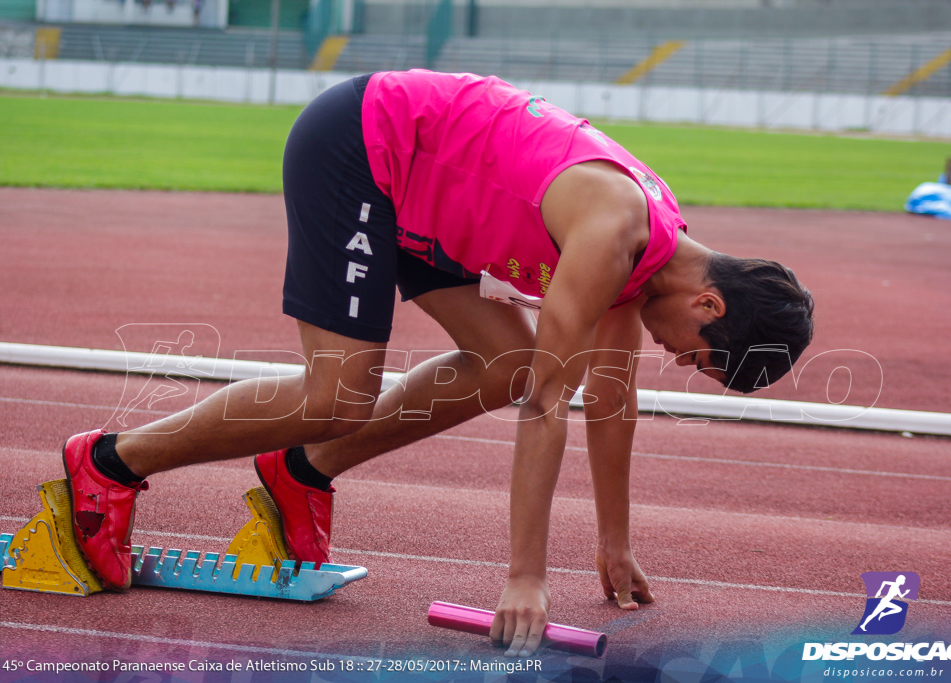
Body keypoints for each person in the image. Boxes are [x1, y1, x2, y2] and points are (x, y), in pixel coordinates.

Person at [61, 70, 814, 658]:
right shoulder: (614, 230)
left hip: (430, 207)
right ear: (709, 305)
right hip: (363, 147)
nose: (679, 359)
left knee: (512, 364)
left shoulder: (649, 257)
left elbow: (610, 400)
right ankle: (109, 461)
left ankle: (301, 471)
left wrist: (614, 541)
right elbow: (553, 406)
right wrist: (524, 578)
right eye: (700, 358)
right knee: (339, 393)